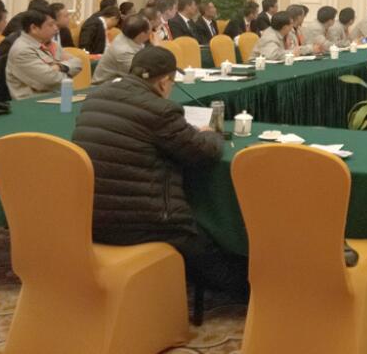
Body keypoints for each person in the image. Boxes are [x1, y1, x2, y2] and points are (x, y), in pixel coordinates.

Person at [72, 47, 246, 292]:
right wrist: (211, 134)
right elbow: (204, 152)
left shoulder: (95, 97)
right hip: (141, 222)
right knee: (208, 251)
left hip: (90, 215)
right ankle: (250, 291)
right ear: (164, 82)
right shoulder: (160, 110)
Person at [5, 8, 82, 100]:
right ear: (34, 28)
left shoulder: (50, 44)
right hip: (33, 103)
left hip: (55, 98)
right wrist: (68, 71)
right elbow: (51, 81)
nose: (56, 28)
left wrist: (60, 67)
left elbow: (78, 63)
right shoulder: (22, 50)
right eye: (51, 25)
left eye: (55, 24)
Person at [94, 15, 151, 85]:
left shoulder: (130, 36)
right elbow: (139, 76)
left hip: (119, 82)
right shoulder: (124, 51)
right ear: (142, 34)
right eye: (150, 29)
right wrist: (158, 48)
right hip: (103, 86)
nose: (151, 31)